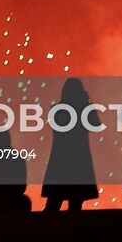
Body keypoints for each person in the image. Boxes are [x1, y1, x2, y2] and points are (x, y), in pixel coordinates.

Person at [42, 77, 100, 212]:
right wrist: (88, 104)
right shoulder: (84, 110)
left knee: (53, 203)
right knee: (75, 203)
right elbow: (96, 125)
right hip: (79, 160)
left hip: (60, 160)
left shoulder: (56, 110)